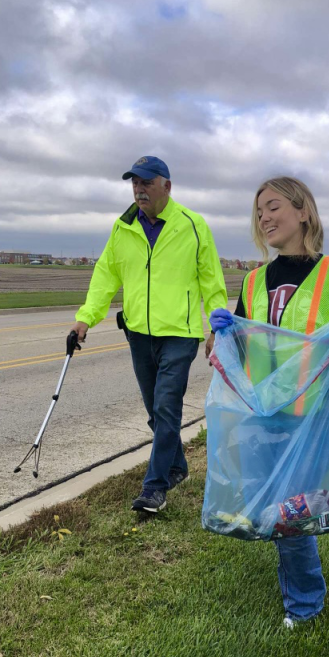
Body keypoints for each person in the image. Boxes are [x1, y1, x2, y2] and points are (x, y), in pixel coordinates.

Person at [209, 176, 329, 627]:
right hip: (263, 417)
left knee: (286, 510)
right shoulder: (254, 279)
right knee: (275, 512)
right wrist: (220, 338)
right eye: (258, 211)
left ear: (304, 212)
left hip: (313, 419)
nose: (264, 217)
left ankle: (304, 604)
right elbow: (244, 351)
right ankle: (297, 585)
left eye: (273, 206)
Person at [70, 156, 228, 513]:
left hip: (180, 334)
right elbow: (105, 276)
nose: (138, 189)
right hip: (139, 334)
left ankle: (154, 488)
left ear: (166, 187)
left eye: (145, 182)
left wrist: (216, 328)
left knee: (166, 405)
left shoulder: (193, 225)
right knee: (156, 412)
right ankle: (177, 467)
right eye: (134, 183)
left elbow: (212, 281)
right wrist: (85, 318)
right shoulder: (123, 226)